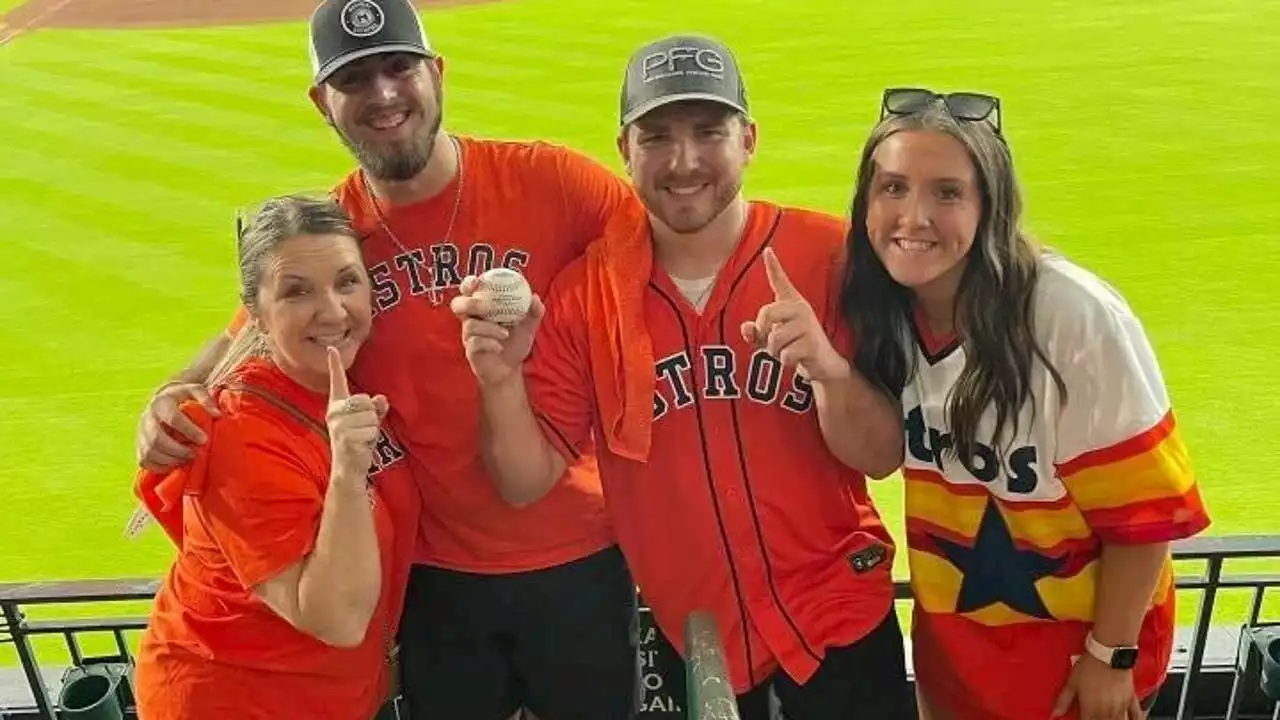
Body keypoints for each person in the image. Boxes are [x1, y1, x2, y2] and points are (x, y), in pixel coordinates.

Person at [131, 1, 642, 718]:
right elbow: (250, 334)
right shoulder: (334, 240)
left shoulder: (555, 183)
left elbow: (667, 264)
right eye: (355, 79)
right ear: (322, 103)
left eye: (399, 67)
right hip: (435, 579)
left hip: (578, 556)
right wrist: (169, 393)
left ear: (436, 73)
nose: (383, 94)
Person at [451, 34, 914, 720]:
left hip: (840, 621)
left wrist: (829, 372)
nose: (685, 161)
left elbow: (881, 454)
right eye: (658, 136)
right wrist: (498, 379)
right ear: (624, 150)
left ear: (749, 138)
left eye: (709, 132)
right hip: (697, 642)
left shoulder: (827, 258)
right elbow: (525, 480)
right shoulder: (588, 297)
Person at [837, 88, 1212, 720]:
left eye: (947, 192)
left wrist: (1110, 656)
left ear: (991, 205)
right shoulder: (885, 310)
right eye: (893, 187)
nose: (914, 216)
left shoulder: (1069, 316)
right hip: (956, 664)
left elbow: (1145, 518)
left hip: (1077, 670)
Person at [131, 195, 419, 719]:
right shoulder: (240, 432)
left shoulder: (336, 383)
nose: (332, 310)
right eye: (297, 292)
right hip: (234, 700)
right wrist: (349, 472)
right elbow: (337, 618)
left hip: (320, 694)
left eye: (347, 282)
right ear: (255, 318)